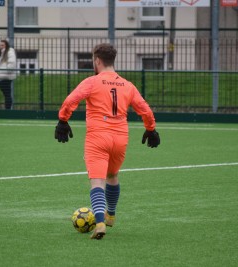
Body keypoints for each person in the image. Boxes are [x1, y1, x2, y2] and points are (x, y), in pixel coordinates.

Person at [55, 43, 160, 240]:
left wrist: (63, 120)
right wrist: (151, 129)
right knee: (112, 175)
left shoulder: (92, 82)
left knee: (97, 181)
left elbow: (71, 100)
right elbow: (144, 109)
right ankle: (111, 214)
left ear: (97, 61)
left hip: (98, 136)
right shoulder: (127, 85)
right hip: (120, 137)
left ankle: (100, 222)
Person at [0, 39, 17, 109]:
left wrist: (7, 72)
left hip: (5, 77)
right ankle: (7, 109)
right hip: (2, 77)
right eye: (0, 45)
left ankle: (7, 110)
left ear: (6, 45)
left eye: (3, 45)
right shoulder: (2, 53)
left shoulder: (9, 51)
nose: (1, 46)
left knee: (7, 95)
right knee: (6, 95)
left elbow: (12, 63)